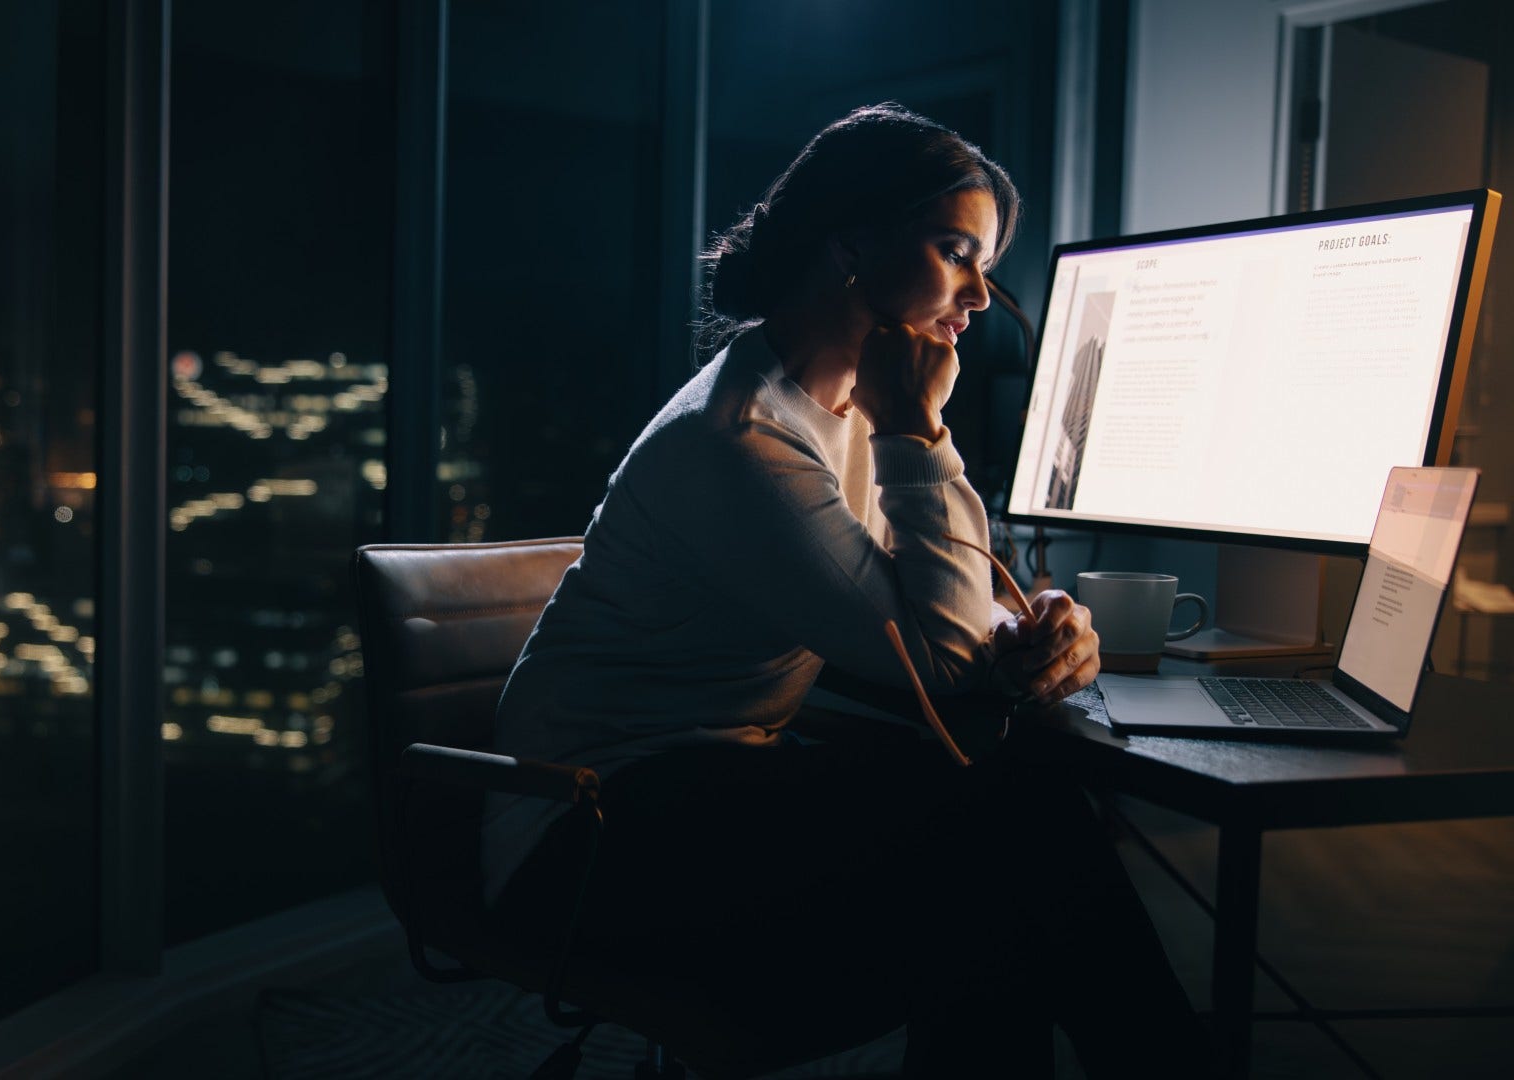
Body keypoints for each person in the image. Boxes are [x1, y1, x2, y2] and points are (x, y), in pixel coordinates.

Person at [481, 103, 1213, 1078]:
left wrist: (1042, 625)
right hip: (589, 838)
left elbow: (955, 618)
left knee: (1002, 848)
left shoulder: (839, 411)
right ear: (850, 244)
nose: (981, 297)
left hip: (716, 791)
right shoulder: (738, 442)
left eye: (986, 264)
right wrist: (920, 429)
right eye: (958, 251)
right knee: (1002, 834)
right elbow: (950, 663)